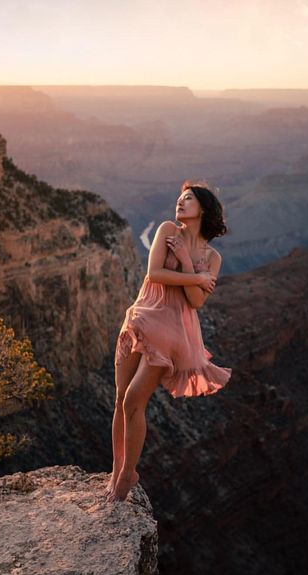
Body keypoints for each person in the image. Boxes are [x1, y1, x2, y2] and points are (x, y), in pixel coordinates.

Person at [104, 179, 232, 502]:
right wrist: (196, 278)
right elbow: (155, 273)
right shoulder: (166, 230)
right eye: (179, 197)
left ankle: (126, 478)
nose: (180, 202)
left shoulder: (212, 257)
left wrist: (190, 266)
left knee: (135, 400)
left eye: (188, 198)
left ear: (202, 208)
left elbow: (195, 302)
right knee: (120, 398)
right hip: (143, 316)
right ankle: (119, 468)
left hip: (172, 332)